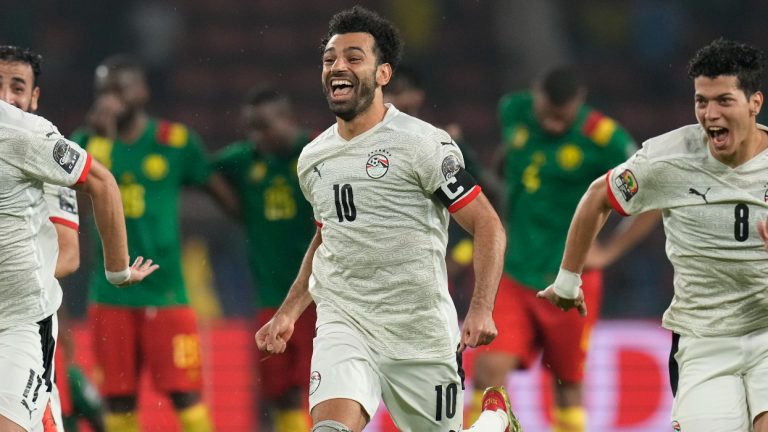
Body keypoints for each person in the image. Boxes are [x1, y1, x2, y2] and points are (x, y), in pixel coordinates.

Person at [255, 6, 521, 432]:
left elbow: (488, 224)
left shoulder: (423, 145)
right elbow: (328, 237)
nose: (337, 67)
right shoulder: (313, 159)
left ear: (383, 74)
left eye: (353, 57)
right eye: (329, 59)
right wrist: (289, 312)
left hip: (418, 332)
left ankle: (493, 421)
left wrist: (481, 309)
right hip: (346, 322)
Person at [539, 38, 768, 431]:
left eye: (724, 101)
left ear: (754, 103)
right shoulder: (669, 158)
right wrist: (568, 279)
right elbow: (598, 197)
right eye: (701, 101)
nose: (710, 114)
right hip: (703, 338)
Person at [468, 66, 660, 431]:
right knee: (488, 374)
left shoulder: (605, 138)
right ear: (536, 97)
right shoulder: (513, 110)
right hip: (515, 272)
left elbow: (652, 197)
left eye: (563, 118)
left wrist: (609, 252)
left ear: (580, 103)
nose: (554, 125)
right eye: (547, 115)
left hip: (572, 282)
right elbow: (511, 163)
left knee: (568, 385)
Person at [70, 54, 236, 432]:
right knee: (118, 399)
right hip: (110, 295)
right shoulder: (85, 143)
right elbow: (75, 209)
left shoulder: (175, 142)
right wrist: (98, 141)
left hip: (167, 293)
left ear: (142, 91)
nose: (111, 99)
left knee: (186, 396)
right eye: (104, 91)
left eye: (120, 89)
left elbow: (222, 194)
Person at [0, 96, 157, 431]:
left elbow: (101, 182)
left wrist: (118, 271)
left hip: (16, 322)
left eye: (18, 85)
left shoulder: (21, 133)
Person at [0, 44, 107, 432]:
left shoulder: (46, 154)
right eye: (0, 86)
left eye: (17, 87)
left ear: (34, 97)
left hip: (26, 318)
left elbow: (68, 255)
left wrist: (19, 275)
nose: (7, 98)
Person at [212, 87, 316, 432]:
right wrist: (235, 208)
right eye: (251, 129)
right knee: (280, 393)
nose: (257, 137)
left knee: (322, 387)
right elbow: (202, 171)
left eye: (264, 127)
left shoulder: (318, 154)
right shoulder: (245, 160)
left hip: (321, 297)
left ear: (288, 121)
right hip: (270, 298)